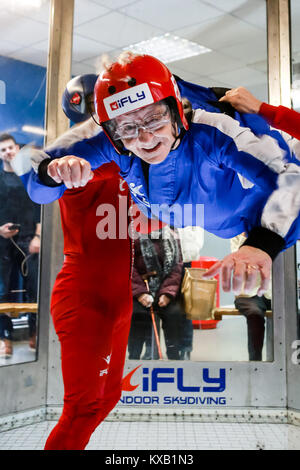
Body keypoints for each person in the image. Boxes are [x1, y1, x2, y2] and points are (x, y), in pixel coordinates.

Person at [25, 53, 300, 299]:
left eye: (154, 119)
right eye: (129, 127)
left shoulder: (215, 130)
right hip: (199, 212)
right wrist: (51, 172)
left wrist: (262, 245)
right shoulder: (114, 136)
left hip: (259, 207)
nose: (145, 138)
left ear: (176, 110)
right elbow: (36, 175)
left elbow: (292, 180)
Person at [21, 74, 135, 451]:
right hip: (84, 296)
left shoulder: (129, 155)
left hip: (120, 298)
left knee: (109, 397)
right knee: (82, 408)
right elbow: (46, 178)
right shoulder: (74, 162)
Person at [0, 133, 40, 358]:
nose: (8, 152)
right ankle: (5, 339)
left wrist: (38, 236)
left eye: (10, 148)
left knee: (34, 290)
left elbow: (41, 208)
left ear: (16, 148)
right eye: (3, 150)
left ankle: (35, 334)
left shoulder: (30, 177)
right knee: (2, 291)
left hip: (29, 241)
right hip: (3, 243)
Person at [128, 226, 183, 360]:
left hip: (164, 288)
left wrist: (167, 294)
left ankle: (174, 357)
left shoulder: (172, 235)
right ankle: (133, 358)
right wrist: (141, 293)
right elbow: (129, 266)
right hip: (140, 289)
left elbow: (177, 267)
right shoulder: (131, 235)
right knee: (137, 314)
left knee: (174, 314)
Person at [231, 233, 271, 361]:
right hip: (248, 292)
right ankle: (255, 363)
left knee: (294, 312)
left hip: (273, 290)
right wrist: (246, 236)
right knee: (254, 314)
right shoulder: (237, 233)